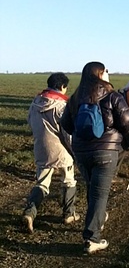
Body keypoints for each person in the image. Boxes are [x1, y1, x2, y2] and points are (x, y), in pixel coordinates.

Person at [60, 61, 129, 253]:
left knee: (92, 189)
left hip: (81, 151)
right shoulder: (112, 96)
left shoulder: (75, 97)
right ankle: (92, 237)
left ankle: (98, 219)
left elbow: (66, 125)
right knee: (100, 194)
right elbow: (128, 123)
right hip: (106, 151)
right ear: (101, 74)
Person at [22, 73, 79, 234]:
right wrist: (75, 151)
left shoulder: (35, 103)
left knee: (42, 183)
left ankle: (30, 213)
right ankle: (69, 213)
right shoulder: (62, 106)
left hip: (41, 149)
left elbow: (30, 122)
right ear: (62, 87)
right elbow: (68, 132)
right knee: (69, 181)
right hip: (62, 151)